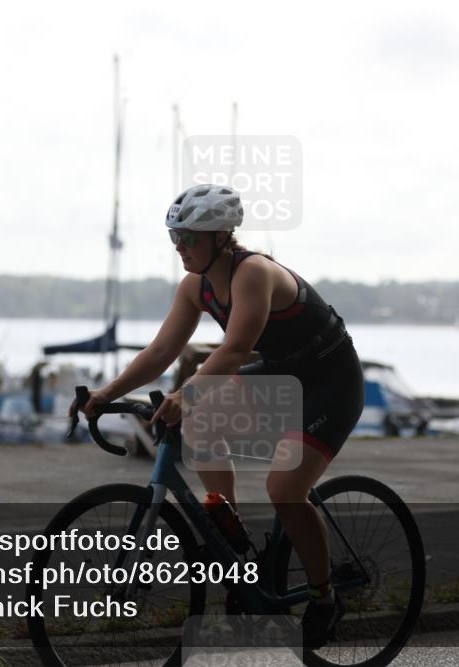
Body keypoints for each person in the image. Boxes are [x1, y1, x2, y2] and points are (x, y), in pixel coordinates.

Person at [80, 184, 365, 648]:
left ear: (220, 236)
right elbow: (161, 350)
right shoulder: (194, 286)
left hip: (330, 379)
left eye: (189, 237)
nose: (179, 247)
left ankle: (324, 596)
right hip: (282, 372)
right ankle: (233, 540)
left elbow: (233, 350)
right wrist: (106, 392)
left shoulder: (253, 273)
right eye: (175, 236)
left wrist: (186, 395)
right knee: (200, 422)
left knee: (285, 488)